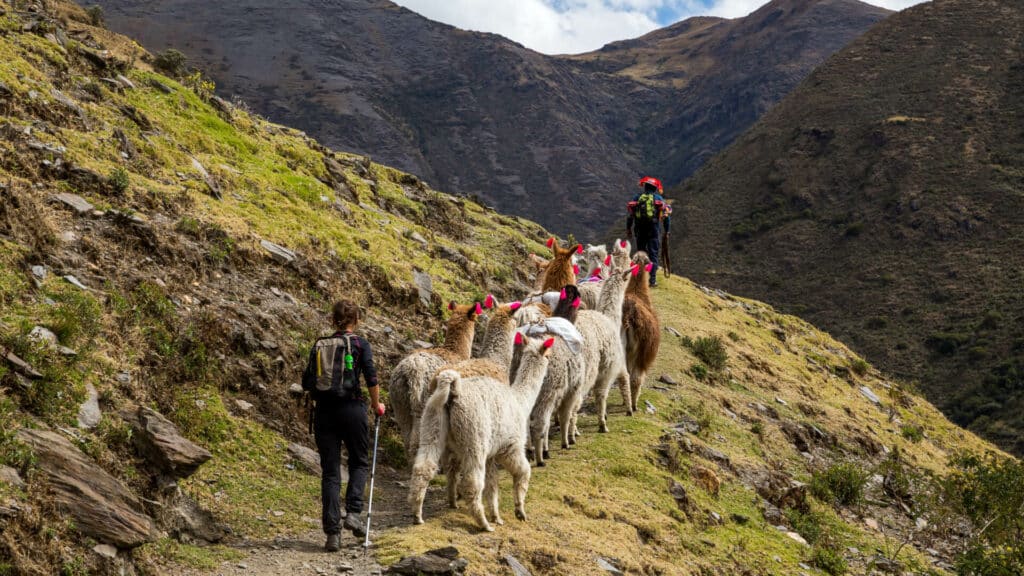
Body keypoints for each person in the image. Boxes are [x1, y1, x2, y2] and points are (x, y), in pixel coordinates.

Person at [301, 300, 386, 552]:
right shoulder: (360, 344)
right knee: (359, 462)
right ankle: (353, 514)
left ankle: (332, 535)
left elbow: (307, 381)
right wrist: (376, 404)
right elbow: (371, 377)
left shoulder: (320, 345)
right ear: (356, 320)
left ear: (332, 320)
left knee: (330, 472)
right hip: (352, 410)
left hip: (324, 414)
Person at [626, 176, 671, 287]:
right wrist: (667, 231)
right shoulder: (658, 199)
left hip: (639, 230)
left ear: (645, 186)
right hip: (653, 230)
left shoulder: (637, 197)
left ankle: (639, 279)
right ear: (655, 188)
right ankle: (652, 280)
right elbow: (666, 216)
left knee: (641, 253)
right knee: (653, 255)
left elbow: (630, 216)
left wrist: (629, 229)